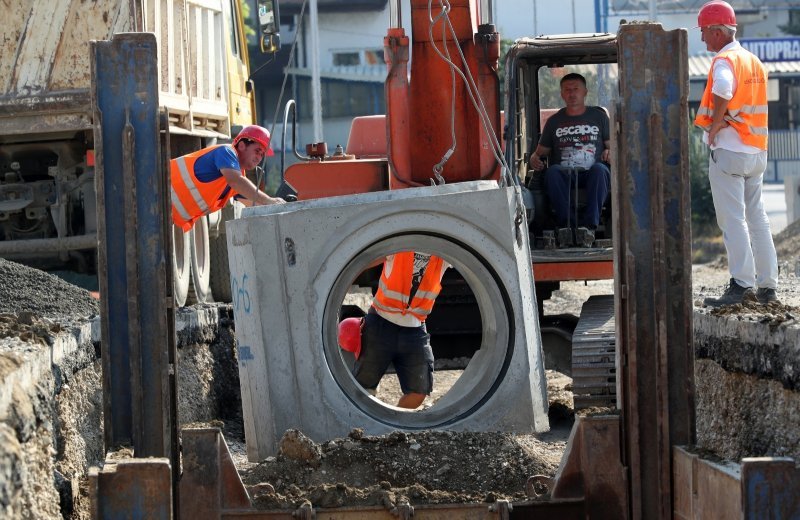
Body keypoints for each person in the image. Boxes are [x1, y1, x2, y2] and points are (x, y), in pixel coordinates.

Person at [694, 1, 779, 306]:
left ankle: (742, 285)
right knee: (758, 218)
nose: (703, 38)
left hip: (730, 150)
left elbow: (724, 90)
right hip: (756, 151)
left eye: (704, 32)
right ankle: (768, 286)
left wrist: (715, 126)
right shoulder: (753, 61)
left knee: (733, 220)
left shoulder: (723, 60)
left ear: (718, 31)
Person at [353, 251, 449, 409]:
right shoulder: (399, 244)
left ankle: (391, 428)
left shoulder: (441, 254)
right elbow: (359, 261)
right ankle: (364, 425)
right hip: (380, 323)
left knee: (419, 391)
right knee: (362, 386)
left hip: (415, 330)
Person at [529, 72, 611, 248]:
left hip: (591, 173)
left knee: (601, 170)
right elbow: (539, 153)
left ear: (585, 92)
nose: (572, 93)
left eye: (576, 89)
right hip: (565, 175)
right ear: (562, 94)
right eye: (567, 90)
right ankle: (566, 227)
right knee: (552, 172)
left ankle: (588, 228)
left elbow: (612, 146)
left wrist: (610, 152)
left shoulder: (599, 118)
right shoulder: (554, 122)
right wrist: (534, 159)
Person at [171, 125, 285, 231]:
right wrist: (269, 200)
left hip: (165, 213)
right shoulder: (226, 152)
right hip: (158, 194)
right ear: (241, 145)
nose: (259, 158)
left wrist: (282, 207)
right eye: (257, 151)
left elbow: (255, 202)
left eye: (262, 154)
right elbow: (236, 181)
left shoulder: (236, 176)